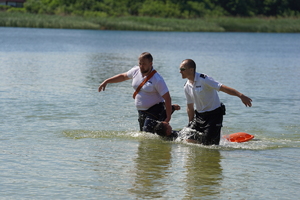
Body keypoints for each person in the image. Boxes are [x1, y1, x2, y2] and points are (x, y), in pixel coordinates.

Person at [178, 59, 253, 145]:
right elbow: (190, 107)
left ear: (191, 69)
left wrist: (241, 96)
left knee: (210, 144)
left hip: (214, 115)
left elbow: (223, 88)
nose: (180, 71)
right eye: (180, 69)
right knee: (186, 137)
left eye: (182, 69)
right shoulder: (186, 86)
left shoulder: (204, 79)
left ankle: (212, 137)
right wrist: (190, 124)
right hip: (199, 117)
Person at [98, 52, 173, 133]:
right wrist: (107, 81)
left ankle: (169, 112)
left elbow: (167, 98)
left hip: (155, 109)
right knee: (145, 134)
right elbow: (123, 76)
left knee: (146, 134)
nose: (141, 66)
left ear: (151, 64)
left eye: (144, 64)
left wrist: (168, 117)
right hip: (141, 110)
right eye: (140, 63)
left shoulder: (157, 79)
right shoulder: (135, 71)